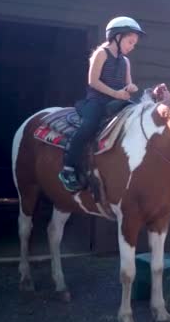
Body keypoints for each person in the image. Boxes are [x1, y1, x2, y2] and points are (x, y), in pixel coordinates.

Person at [59, 16, 145, 192]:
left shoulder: (125, 61)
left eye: (134, 44)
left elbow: (127, 84)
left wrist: (130, 87)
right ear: (117, 36)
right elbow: (93, 81)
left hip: (117, 101)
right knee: (88, 127)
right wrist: (116, 93)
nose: (132, 47)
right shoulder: (101, 53)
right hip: (97, 100)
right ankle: (68, 168)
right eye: (130, 42)